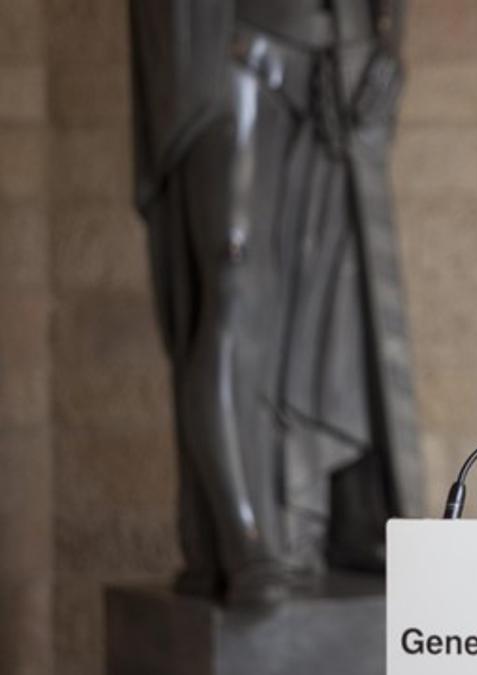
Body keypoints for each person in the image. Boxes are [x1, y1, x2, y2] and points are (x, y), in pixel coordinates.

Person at [130, 0, 425, 605]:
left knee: (332, 302)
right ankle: (246, 536)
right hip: (229, 56)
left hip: (336, 67)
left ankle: (322, 521)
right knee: (231, 285)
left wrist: (388, 44)